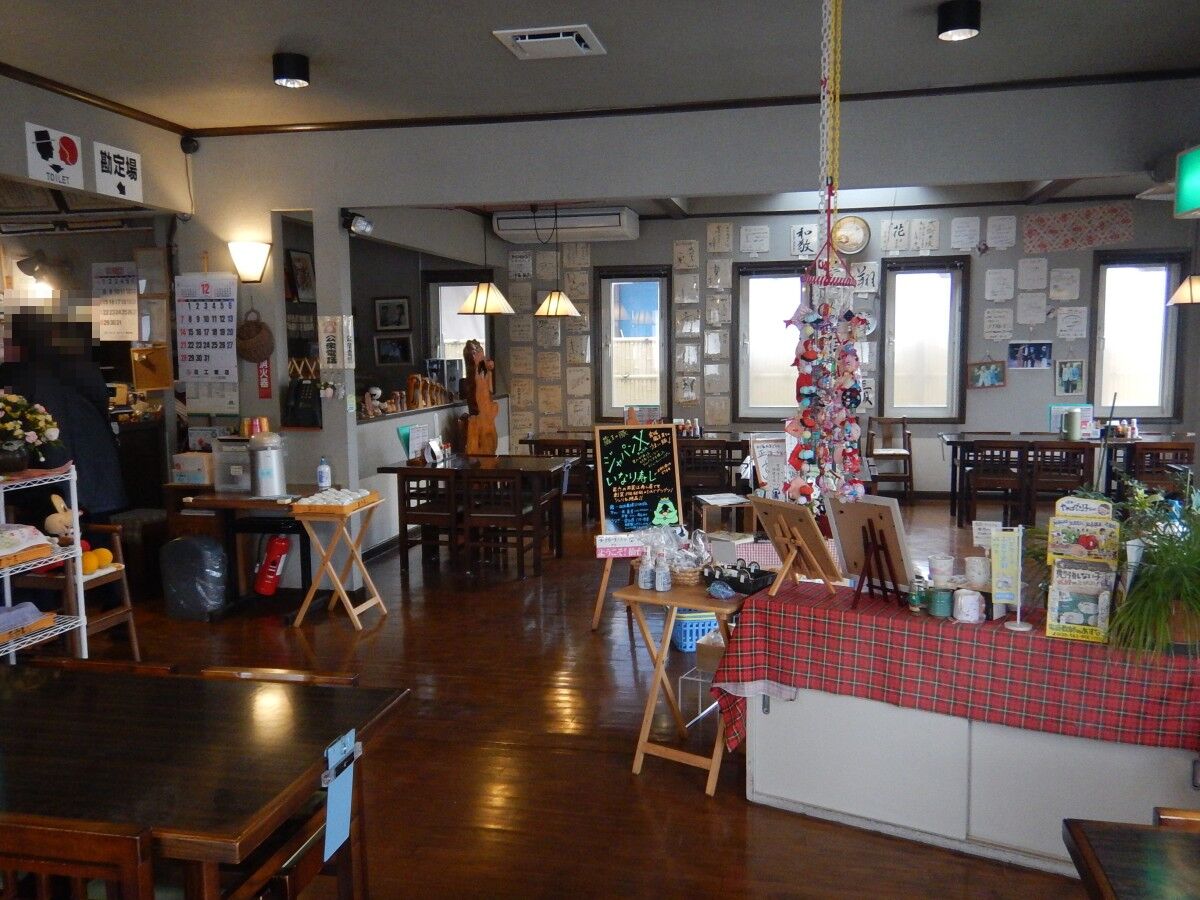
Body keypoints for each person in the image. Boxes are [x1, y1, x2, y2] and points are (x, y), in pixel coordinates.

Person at [0, 314, 127, 520]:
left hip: (47, 475)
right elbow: (101, 401)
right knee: (95, 531)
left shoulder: (16, 370)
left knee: (52, 530)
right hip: (95, 468)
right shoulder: (81, 363)